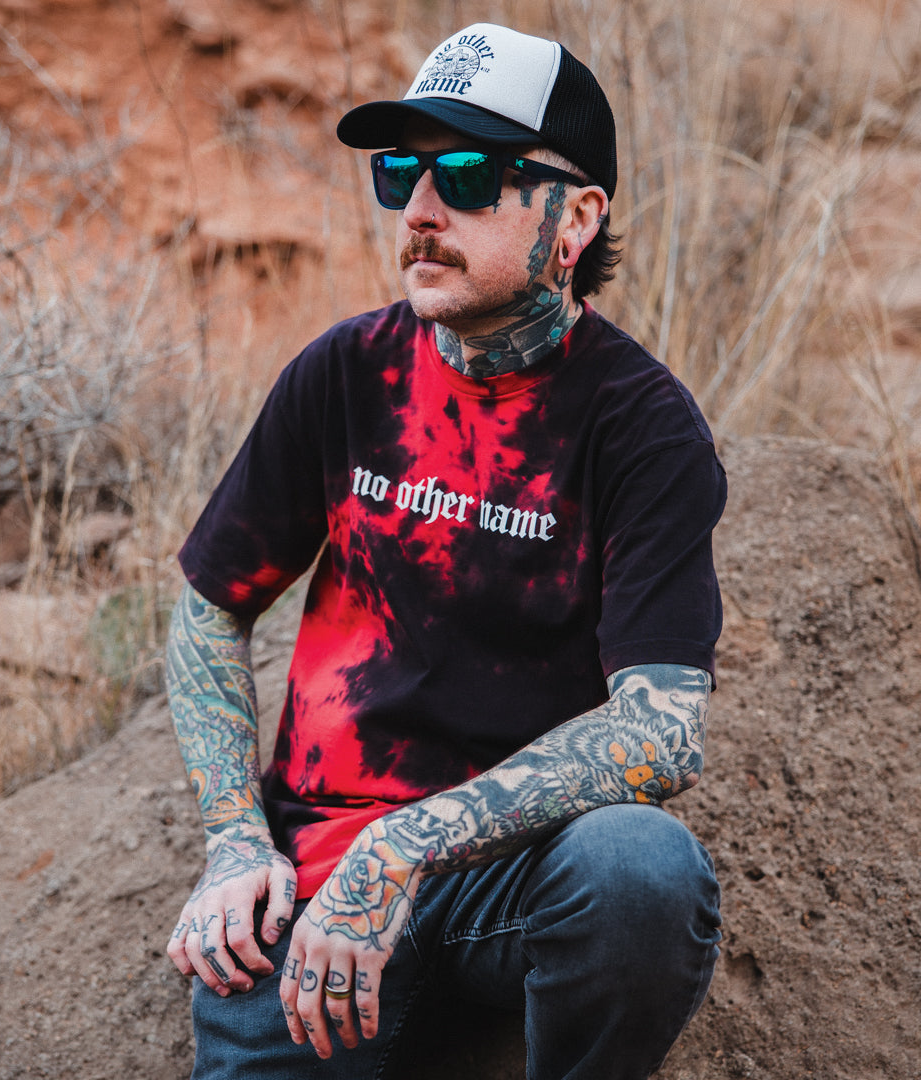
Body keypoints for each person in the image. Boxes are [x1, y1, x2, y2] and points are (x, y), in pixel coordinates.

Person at [165, 22, 726, 1080]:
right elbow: (210, 603)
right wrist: (236, 837)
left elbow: (660, 731)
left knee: (641, 871)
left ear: (575, 218)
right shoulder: (343, 374)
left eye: (468, 173)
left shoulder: (641, 426)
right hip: (312, 879)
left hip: (505, 882)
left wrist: (406, 845)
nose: (421, 209)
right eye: (401, 173)